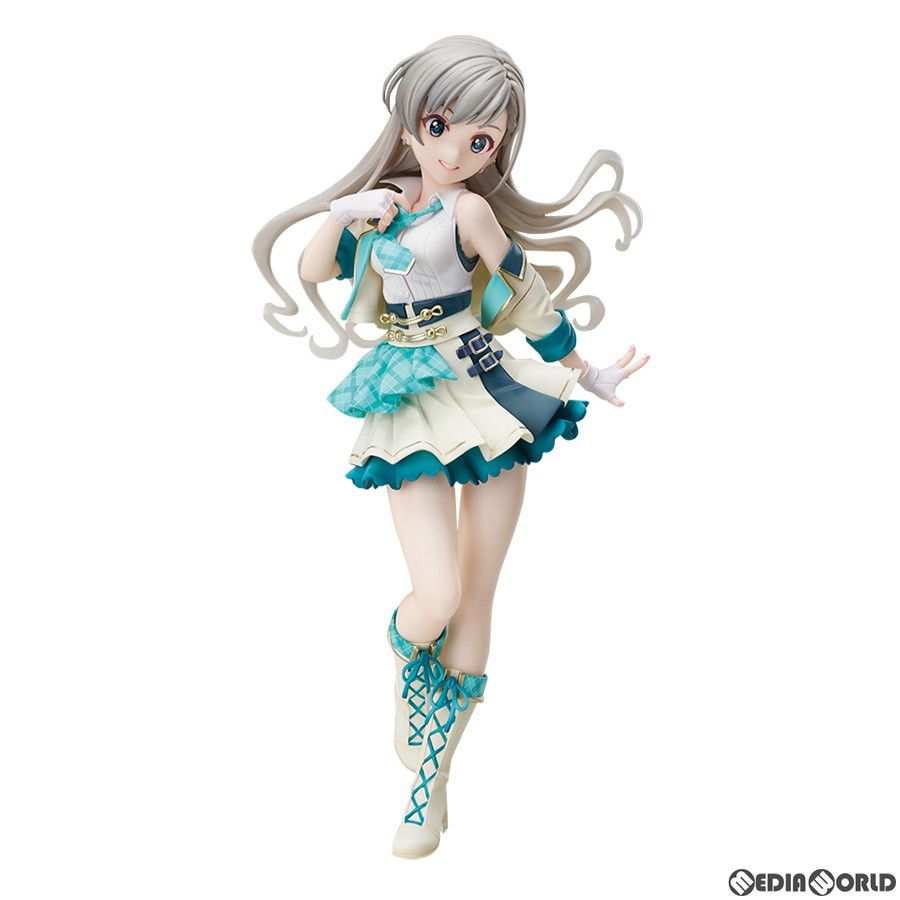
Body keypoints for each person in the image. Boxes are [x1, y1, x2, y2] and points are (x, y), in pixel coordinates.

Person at [253, 34, 649, 858]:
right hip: (406, 395)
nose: (457, 152)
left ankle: (428, 788)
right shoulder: (388, 204)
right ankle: (409, 657)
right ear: (410, 126)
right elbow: (315, 270)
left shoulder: (471, 212)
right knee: (434, 595)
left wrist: (586, 371)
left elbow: (526, 296)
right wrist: (342, 213)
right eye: (441, 128)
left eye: (482, 141)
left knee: (474, 597)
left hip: (487, 388)